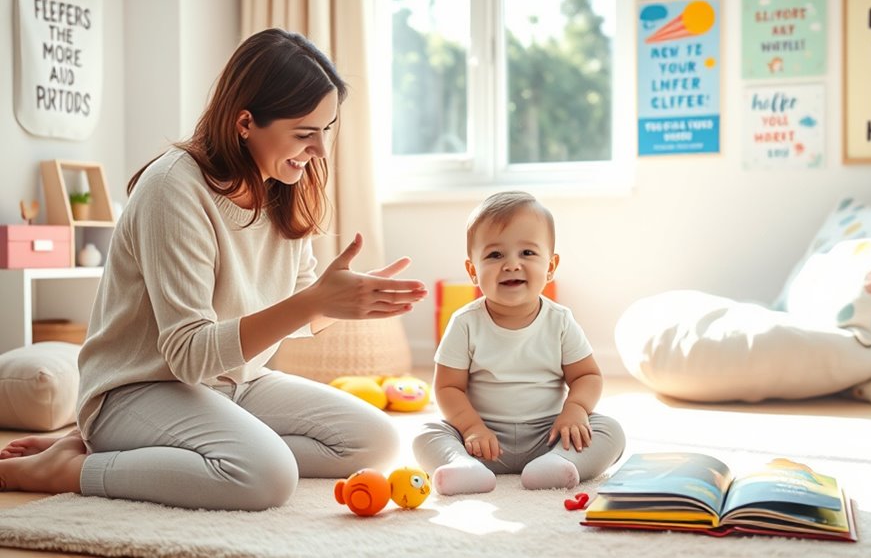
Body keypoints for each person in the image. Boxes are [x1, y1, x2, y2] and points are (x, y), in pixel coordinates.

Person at [0, 28, 427, 510]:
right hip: (138, 389)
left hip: (234, 385)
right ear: (245, 122)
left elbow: (300, 306)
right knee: (266, 476)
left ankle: (163, 451)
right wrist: (313, 302)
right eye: (305, 133)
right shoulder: (172, 189)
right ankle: (73, 468)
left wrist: (346, 301)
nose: (321, 151)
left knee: (378, 441)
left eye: (327, 130)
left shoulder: (282, 187)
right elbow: (188, 355)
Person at [413, 191, 625, 495]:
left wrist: (575, 409)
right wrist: (472, 427)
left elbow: (587, 376)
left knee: (610, 431)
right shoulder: (465, 323)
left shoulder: (560, 321)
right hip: (482, 440)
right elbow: (448, 387)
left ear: (550, 267)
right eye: (495, 255)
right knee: (426, 433)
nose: (512, 265)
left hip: (549, 436)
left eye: (527, 253)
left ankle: (558, 465)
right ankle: (462, 467)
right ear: (473, 271)